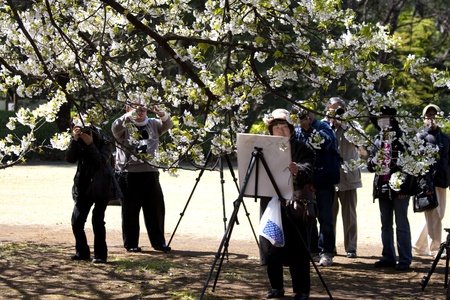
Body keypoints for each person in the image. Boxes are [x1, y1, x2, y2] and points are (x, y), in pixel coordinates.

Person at [260, 108, 316, 300]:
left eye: (284, 127)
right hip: (271, 203)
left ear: (291, 129)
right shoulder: (264, 148)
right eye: (276, 127)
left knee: (298, 248)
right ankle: (276, 287)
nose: (280, 131)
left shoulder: (302, 147)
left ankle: (301, 290)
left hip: (296, 203)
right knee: (272, 246)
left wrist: (297, 169)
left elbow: (309, 167)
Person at [111, 100, 174, 252]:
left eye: (143, 109)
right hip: (129, 174)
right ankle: (131, 243)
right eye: (136, 109)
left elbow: (168, 125)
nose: (140, 112)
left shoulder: (153, 123)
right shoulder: (123, 125)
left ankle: (159, 242)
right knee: (130, 211)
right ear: (128, 109)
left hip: (151, 173)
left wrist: (162, 114)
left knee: (155, 209)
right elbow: (115, 127)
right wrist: (128, 116)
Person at [366, 105, 415, 271]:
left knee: (401, 224)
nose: (382, 120)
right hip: (382, 186)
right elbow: (370, 164)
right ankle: (388, 256)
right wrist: (374, 161)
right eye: (379, 118)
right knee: (385, 224)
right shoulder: (378, 139)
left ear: (392, 118)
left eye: (384, 117)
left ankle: (405, 259)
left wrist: (405, 188)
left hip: (400, 188)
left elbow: (410, 165)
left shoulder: (402, 138)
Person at [294, 102, 341, 267]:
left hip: (324, 179)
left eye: (306, 112)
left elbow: (327, 143)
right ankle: (312, 250)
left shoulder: (323, 126)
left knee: (325, 217)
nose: (304, 116)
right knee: (307, 216)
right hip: (305, 180)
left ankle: (326, 251)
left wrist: (310, 129)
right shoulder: (297, 130)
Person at [66, 120, 119, 263]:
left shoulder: (104, 141)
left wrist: (90, 143)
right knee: (76, 221)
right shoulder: (78, 142)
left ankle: (101, 255)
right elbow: (70, 158)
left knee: (97, 220)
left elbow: (101, 161)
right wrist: (75, 140)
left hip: (102, 186)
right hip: (83, 185)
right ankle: (82, 252)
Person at [324, 97, 363, 258]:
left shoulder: (353, 125)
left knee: (350, 215)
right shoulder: (323, 126)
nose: (336, 114)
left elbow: (360, 141)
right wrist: (330, 125)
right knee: (329, 215)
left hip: (349, 178)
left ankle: (351, 247)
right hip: (329, 177)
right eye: (332, 110)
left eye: (339, 110)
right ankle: (329, 246)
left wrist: (345, 124)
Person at [413, 104, 450, 257]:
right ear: (424, 118)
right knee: (434, 215)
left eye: (434, 115)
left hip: (442, 181)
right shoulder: (420, 137)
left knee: (438, 215)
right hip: (428, 182)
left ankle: (418, 245)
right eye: (429, 116)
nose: (432, 118)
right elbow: (418, 161)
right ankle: (435, 249)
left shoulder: (446, 138)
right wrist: (423, 183)